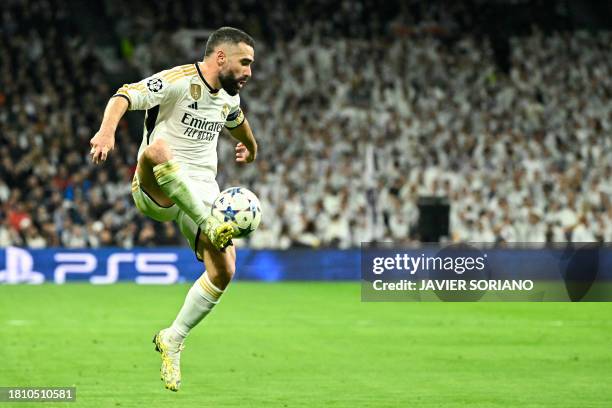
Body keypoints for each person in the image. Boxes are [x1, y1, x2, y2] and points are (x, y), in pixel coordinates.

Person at [89, 27, 258, 391]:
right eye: (245, 63)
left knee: (224, 270)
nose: (249, 72)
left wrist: (251, 148)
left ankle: (173, 337)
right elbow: (124, 95)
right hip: (155, 186)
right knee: (158, 150)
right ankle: (208, 225)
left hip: (199, 194)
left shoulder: (228, 98)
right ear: (221, 57)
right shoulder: (178, 81)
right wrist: (106, 132)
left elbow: (237, 122)